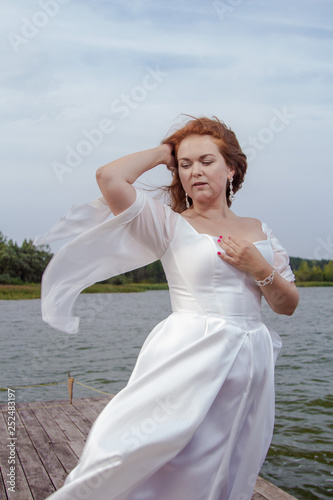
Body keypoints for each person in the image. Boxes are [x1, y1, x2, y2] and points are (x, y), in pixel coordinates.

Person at [37, 116, 299, 500]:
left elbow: (287, 304)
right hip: (188, 357)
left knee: (226, 459)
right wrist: (166, 151)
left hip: (249, 362)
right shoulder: (167, 224)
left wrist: (260, 269)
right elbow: (109, 177)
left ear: (232, 169)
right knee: (153, 452)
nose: (194, 172)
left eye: (206, 161)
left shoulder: (260, 229)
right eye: (185, 164)